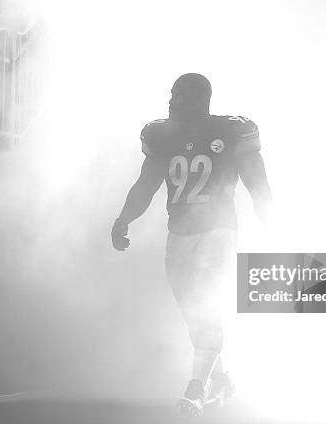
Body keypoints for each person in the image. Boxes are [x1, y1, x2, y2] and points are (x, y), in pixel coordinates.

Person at [111, 73, 272, 416]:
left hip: (218, 231)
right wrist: (124, 218)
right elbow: (146, 185)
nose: (171, 102)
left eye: (179, 96)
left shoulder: (231, 132)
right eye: (172, 95)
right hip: (180, 234)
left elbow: (257, 183)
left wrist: (270, 221)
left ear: (201, 99)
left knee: (206, 306)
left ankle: (196, 389)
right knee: (194, 313)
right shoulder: (162, 136)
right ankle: (222, 377)